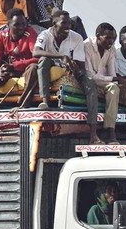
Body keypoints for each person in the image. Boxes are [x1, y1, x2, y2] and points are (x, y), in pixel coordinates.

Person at [33, 10, 101, 143]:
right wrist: (61, 57)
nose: (67, 26)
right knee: (43, 61)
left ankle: (93, 132)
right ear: (54, 23)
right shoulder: (45, 34)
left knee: (90, 85)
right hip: (54, 65)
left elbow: (80, 65)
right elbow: (36, 52)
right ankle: (45, 101)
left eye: (69, 23)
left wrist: (73, 66)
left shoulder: (76, 38)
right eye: (64, 23)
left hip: (71, 69)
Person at [84, 23, 126, 145]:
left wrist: (121, 81)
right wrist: (117, 79)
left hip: (106, 82)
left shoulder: (111, 49)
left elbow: (112, 72)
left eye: (113, 39)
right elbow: (91, 76)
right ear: (98, 36)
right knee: (114, 88)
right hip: (92, 84)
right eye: (108, 38)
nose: (111, 42)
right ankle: (111, 133)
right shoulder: (87, 46)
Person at [0, 8, 39, 110]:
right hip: (8, 74)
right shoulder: (2, 36)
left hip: (25, 71)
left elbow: (37, 58)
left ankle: (22, 106)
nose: (21, 28)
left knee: (33, 68)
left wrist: (14, 66)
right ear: (8, 25)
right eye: (16, 25)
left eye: (24, 24)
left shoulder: (30, 33)